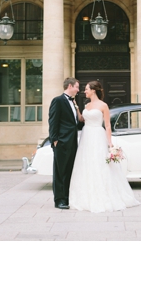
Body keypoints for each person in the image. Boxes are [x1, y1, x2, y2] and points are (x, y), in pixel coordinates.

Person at [69, 81, 141, 213]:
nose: (84, 91)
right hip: (86, 135)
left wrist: (110, 143)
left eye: (86, 89)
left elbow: (107, 125)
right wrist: (76, 107)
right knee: (86, 163)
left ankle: (104, 194)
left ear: (93, 91)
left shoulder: (103, 106)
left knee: (99, 163)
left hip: (97, 135)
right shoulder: (87, 105)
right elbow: (81, 119)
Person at [48, 77, 83, 210]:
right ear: (70, 86)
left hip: (72, 142)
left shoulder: (74, 102)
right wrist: (55, 140)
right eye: (77, 87)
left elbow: (76, 122)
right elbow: (53, 121)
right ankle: (59, 200)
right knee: (60, 172)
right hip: (61, 142)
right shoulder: (58, 101)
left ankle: (67, 198)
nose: (78, 90)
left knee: (69, 171)